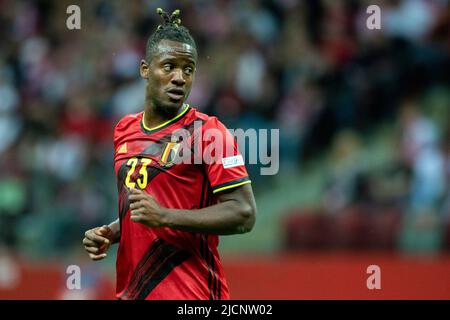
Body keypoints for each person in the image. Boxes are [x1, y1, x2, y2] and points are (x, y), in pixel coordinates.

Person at [82, 8, 257, 300]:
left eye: (188, 69)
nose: (179, 78)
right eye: (169, 66)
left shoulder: (208, 133)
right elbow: (148, 206)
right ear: (144, 69)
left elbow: (244, 213)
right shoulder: (124, 129)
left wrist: (164, 216)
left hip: (192, 295)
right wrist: (114, 231)